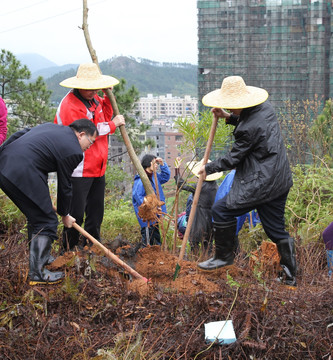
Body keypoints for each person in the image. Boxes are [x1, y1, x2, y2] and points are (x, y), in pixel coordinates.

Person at [197, 75, 296, 286]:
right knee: (275, 229)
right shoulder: (265, 108)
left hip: (263, 181)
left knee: (221, 210)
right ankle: (290, 276)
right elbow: (253, 124)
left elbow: (234, 158)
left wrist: (208, 168)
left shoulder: (246, 129)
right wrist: (228, 117)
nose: (231, 110)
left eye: (232, 108)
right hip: (279, 179)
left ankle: (224, 257)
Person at [0, 119, 98, 285]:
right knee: (46, 220)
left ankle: (40, 259)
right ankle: (37, 274)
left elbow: (21, 133)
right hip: (22, 172)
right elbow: (65, 185)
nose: (90, 146)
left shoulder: (51, 128)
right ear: (81, 134)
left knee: (37, 217)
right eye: (91, 141)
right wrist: (65, 214)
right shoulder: (74, 150)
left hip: (5, 168)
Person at [54, 63, 126, 251]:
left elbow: (105, 114)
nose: (92, 91)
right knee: (75, 212)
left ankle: (92, 246)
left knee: (96, 211)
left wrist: (108, 97)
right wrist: (113, 125)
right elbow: (88, 131)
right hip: (79, 167)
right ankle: (68, 249)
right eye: (88, 87)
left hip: (97, 166)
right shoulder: (70, 104)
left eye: (95, 86)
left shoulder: (94, 99)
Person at [175, 158, 223, 253]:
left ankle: (194, 262)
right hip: (210, 216)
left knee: (194, 242)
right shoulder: (215, 186)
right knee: (208, 243)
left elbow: (181, 184)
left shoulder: (201, 186)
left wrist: (177, 170)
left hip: (199, 216)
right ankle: (206, 262)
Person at [132, 154, 170, 247]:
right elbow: (138, 196)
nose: (156, 165)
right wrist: (151, 207)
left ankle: (157, 257)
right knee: (149, 238)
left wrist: (163, 164)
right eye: (155, 163)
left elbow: (165, 177)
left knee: (156, 236)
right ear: (148, 164)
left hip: (155, 213)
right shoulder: (141, 179)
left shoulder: (154, 176)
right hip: (147, 214)